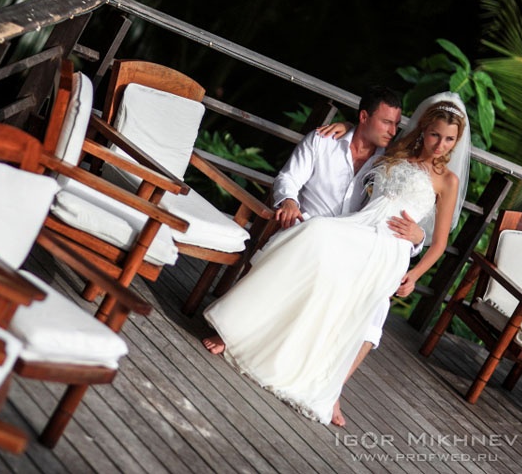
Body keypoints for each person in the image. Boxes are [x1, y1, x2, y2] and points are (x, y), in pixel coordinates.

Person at [201, 93, 470, 426]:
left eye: (449, 139)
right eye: (435, 135)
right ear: (424, 130)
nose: (440, 145)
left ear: (456, 142)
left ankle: (332, 391)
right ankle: (237, 334)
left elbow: (439, 243)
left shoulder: (448, 180)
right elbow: (366, 133)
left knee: (373, 306)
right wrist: (345, 124)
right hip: (360, 227)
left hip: (391, 246)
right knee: (313, 233)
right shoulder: (397, 151)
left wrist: (415, 271)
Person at [265, 86, 424, 426]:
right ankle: (244, 338)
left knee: (379, 300)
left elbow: (402, 209)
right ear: (364, 117)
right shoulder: (323, 140)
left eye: (396, 125)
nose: (393, 131)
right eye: (386, 122)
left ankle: (332, 388)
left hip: (354, 248)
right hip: (308, 231)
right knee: (312, 249)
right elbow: (288, 178)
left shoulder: (390, 163)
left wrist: (419, 238)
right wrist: (289, 201)